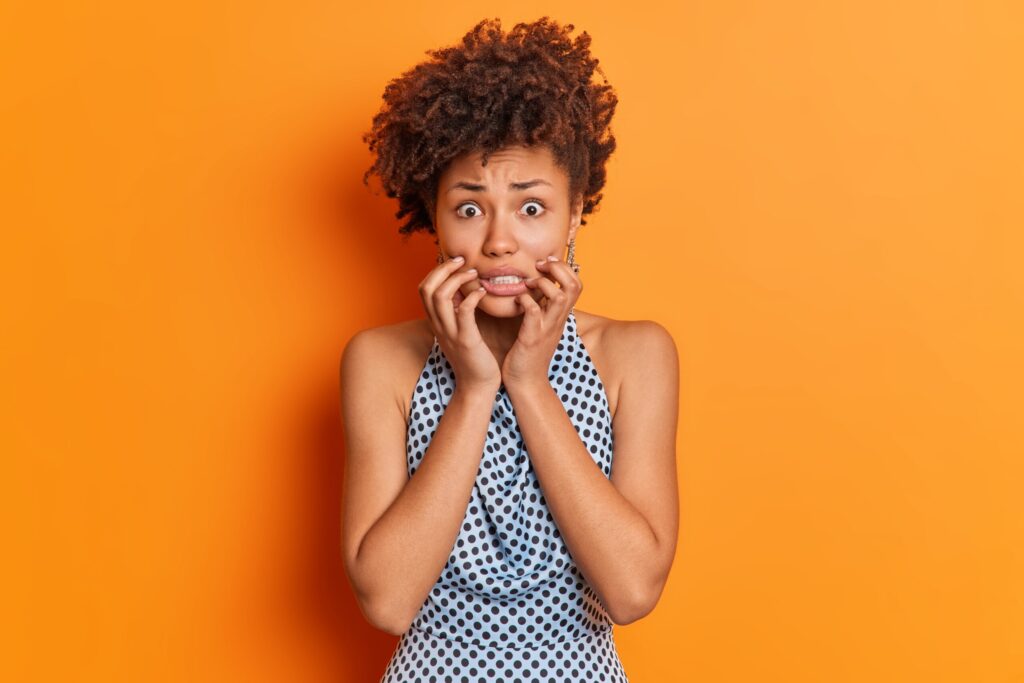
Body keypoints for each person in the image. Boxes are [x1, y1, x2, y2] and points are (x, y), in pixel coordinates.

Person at [340, 17, 679, 682]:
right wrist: (473, 388)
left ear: (574, 210)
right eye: (469, 208)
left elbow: (632, 590)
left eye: (530, 208)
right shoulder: (381, 362)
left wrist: (527, 380)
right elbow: (388, 600)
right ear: (433, 216)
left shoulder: (634, 355)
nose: (499, 241)